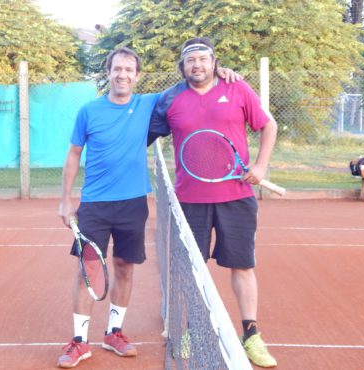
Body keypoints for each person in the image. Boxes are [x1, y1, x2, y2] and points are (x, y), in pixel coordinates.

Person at [57, 47, 241, 368]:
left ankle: (114, 332)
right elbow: (73, 154)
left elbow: (189, 81)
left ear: (137, 76)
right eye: (117, 69)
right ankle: (79, 341)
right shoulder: (89, 111)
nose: (123, 74)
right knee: (88, 269)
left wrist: (223, 73)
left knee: (125, 267)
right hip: (94, 205)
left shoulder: (147, 105)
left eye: (129, 70)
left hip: (133, 204)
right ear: (108, 72)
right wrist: (65, 198)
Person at [149, 37, 278, 368]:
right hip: (190, 201)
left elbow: (268, 125)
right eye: (191, 60)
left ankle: (251, 334)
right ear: (183, 65)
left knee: (243, 265)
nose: (197, 65)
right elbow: (143, 132)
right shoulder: (169, 100)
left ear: (214, 62)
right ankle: (192, 329)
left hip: (237, 197)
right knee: (193, 271)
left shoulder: (237, 88)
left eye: (204, 59)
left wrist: (261, 166)